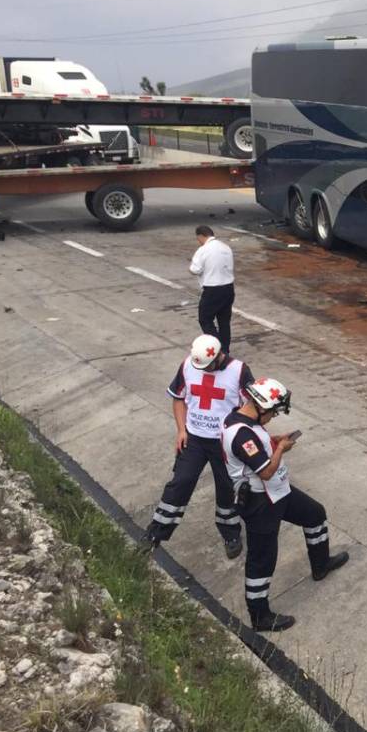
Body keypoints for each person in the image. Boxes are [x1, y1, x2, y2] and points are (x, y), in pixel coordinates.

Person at [222, 377, 349, 632]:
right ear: (261, 407)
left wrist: (274, 441)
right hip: (260, 501)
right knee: (262, 559)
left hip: (277, 492)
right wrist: (281, 448)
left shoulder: (244, 420)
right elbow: (266, 471)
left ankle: (321, 565)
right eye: (274, 412)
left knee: (315, 514)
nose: (274, 417)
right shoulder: (241, 434)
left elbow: (257, 447)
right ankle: (260, 616)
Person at [139, 334, 248, 559]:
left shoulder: (239, 371)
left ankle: (230, 533)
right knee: (181, 482)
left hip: (224, 442)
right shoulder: (189, 365)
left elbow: (252, 406)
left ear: (219, 356)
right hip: (194, 438)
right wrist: (181, 430)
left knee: (227, 489)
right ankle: (156, 532)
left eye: (209, 366)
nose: (205, 371)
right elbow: (178, 398)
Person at [190, 225, 235, 354]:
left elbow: (195, 269)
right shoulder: (226, 247)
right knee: (224, 322)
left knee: (205, 319)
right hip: (228, 288)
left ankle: (217, 349)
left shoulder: (203, 250)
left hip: (213, 290)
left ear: (200, 236)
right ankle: (225, 350)